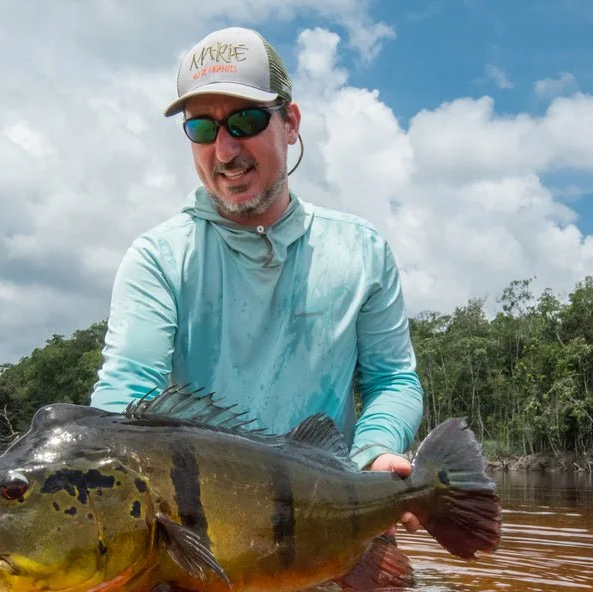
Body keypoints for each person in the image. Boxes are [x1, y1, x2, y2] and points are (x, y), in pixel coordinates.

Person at [89, 26, 424, 534]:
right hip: (200, 529)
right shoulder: (157, 258)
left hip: (331, 511)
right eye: (201, 128)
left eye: (244, 120)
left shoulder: (363, 251)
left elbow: (393, 380)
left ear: (290, 122)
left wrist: (375, 453)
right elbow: (125, 399)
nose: (224, 152)